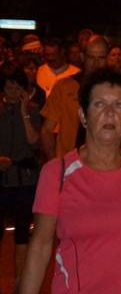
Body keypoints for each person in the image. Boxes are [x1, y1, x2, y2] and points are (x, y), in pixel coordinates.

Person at [18, 68, 121, 294]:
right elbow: (41, 244)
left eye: (119, 105)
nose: (110, 113)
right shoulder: (57, 172)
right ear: (83, 116)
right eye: (99, 104)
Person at [0, 70, 42, 282]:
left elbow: (35, 141)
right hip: (3, 179)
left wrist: (25, 111)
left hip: (26, 179)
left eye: (18, 87)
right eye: (9, 87)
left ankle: (20, 283)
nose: (14, 92)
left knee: (23, 234)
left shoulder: (33, 111)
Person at [40, 35, 108, 159]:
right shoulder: (65, 86)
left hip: (104, 163)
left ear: (107, 59)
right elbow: (46, 130)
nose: (96, 63)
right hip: (69, 162)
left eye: (101, 58)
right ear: (82, 57)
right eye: (91, 57)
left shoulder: (116, 90)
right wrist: (54, 164)